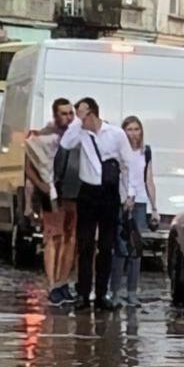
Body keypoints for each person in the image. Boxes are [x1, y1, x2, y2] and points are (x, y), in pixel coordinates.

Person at [59, 97, 132, 311]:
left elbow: (127, 164)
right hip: (88, 192)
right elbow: (65, 144)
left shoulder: (116, 134)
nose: (76, 116)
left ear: (91, 112)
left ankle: (101, 294)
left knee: (106, 246)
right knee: (85, 244)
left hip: (109, 193)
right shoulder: (79, 132)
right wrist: (76, 123)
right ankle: (83, 293)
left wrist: (129, 194)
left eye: (80, 112)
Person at [25, 98, 78, 305]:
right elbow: (30, 166)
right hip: (50, 192)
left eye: (70, 113)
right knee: (52, 237)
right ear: (55, 114)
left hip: (72, 192)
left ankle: (63, 282)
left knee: (70, 237)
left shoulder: (76, 135)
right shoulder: (43, 136)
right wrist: (42, 186)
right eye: (64, 113)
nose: (68, 117)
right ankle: (52, 282)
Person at [110, 116, 160, 307]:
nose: (133, 133)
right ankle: (114, 291)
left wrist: (154, 207)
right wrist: (124, 198)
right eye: (129, 129)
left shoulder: (145, 152)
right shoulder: (119, 152)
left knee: (135, 249)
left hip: (140, 203)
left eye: (136, 129)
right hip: (122, 202)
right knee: (120, 249)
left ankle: (132, 292)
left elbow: (148, 179)